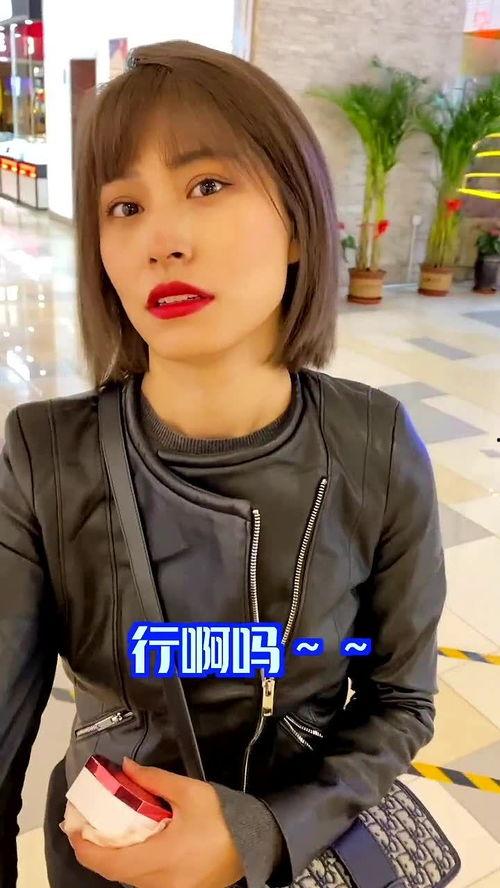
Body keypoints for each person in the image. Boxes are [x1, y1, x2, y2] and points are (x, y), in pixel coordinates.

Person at [0, 39, 446, 888]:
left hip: (304, 856)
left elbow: (401, 701)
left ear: (298, 223)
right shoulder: (45, 455)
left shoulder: (374, 444)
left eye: (207, 185)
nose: (160, 240)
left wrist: (260, 833)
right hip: (109, 862)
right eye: (124, 206)